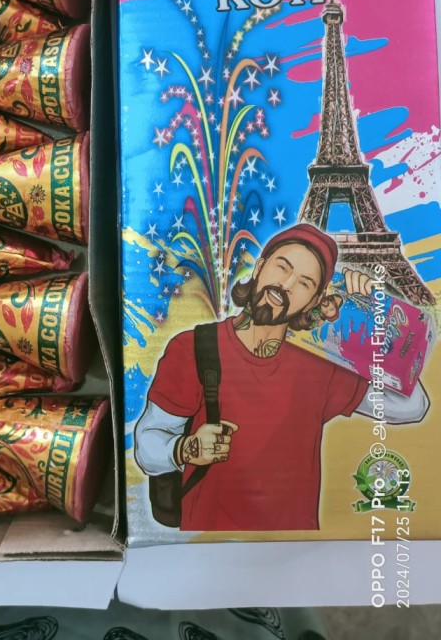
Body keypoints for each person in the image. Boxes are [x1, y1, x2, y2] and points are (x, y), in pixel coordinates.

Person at [134, 223, 429, 532]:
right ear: (260, 266)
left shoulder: (322, 363)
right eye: (282, 267)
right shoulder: (193, 347)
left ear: (314, 301)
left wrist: (377, 315)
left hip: (295, 544)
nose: (286, 284)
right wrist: (187, 448)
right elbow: (146, 446)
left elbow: (412, 406)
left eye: (304, 283)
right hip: (208, 541)